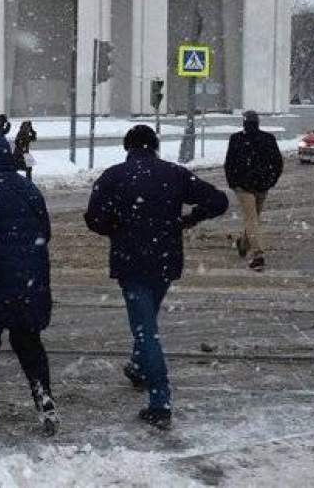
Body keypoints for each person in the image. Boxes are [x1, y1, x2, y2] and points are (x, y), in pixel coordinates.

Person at [84, 125, 228, 430]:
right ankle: (138, 367)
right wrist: (189, 219)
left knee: (145, 329)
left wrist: (115, 228)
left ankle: (160, 401)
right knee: (147, 321)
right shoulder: (174, 174)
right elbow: (218, 201)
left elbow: (93, 218)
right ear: (155, 147)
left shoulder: (114, 176)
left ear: (128, 148)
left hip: (130, 261)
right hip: (165, 259)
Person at [0, 134, 59, 436]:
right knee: (29, 342)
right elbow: (45, 231)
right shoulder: (27, 188)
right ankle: (43, 398)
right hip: (27, 280)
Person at [223, 111, 283, 272]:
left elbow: (229, 163)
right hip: (261, 186)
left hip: (243, 186)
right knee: (253, 218)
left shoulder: (236, 139)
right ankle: (257, 253)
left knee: (252, 219)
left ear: (244, 123)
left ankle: (243, 243)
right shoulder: (268, 139)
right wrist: (271, 181)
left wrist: (233, 182)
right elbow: (277, 163)